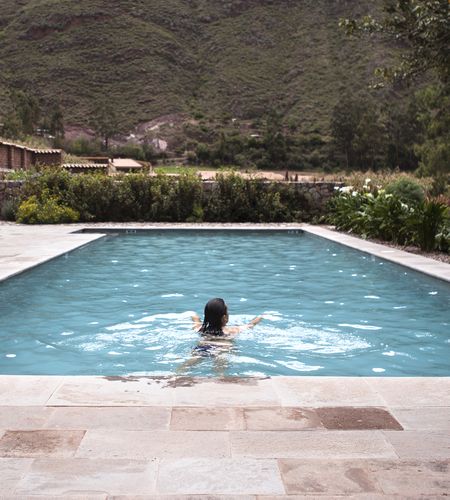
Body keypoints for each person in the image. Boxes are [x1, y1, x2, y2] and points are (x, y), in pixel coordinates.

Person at [177, 298, 262, 374]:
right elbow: (250, 325)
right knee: (220, 365)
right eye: (227, 311)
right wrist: (260, 317)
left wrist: (194, 315)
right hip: (221, 347)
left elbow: (196, 320)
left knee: (188, 363)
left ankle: (176, 374)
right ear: (224, 317)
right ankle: (220, 377)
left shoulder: (200, 329)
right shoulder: (232, 330)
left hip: (203, 347)